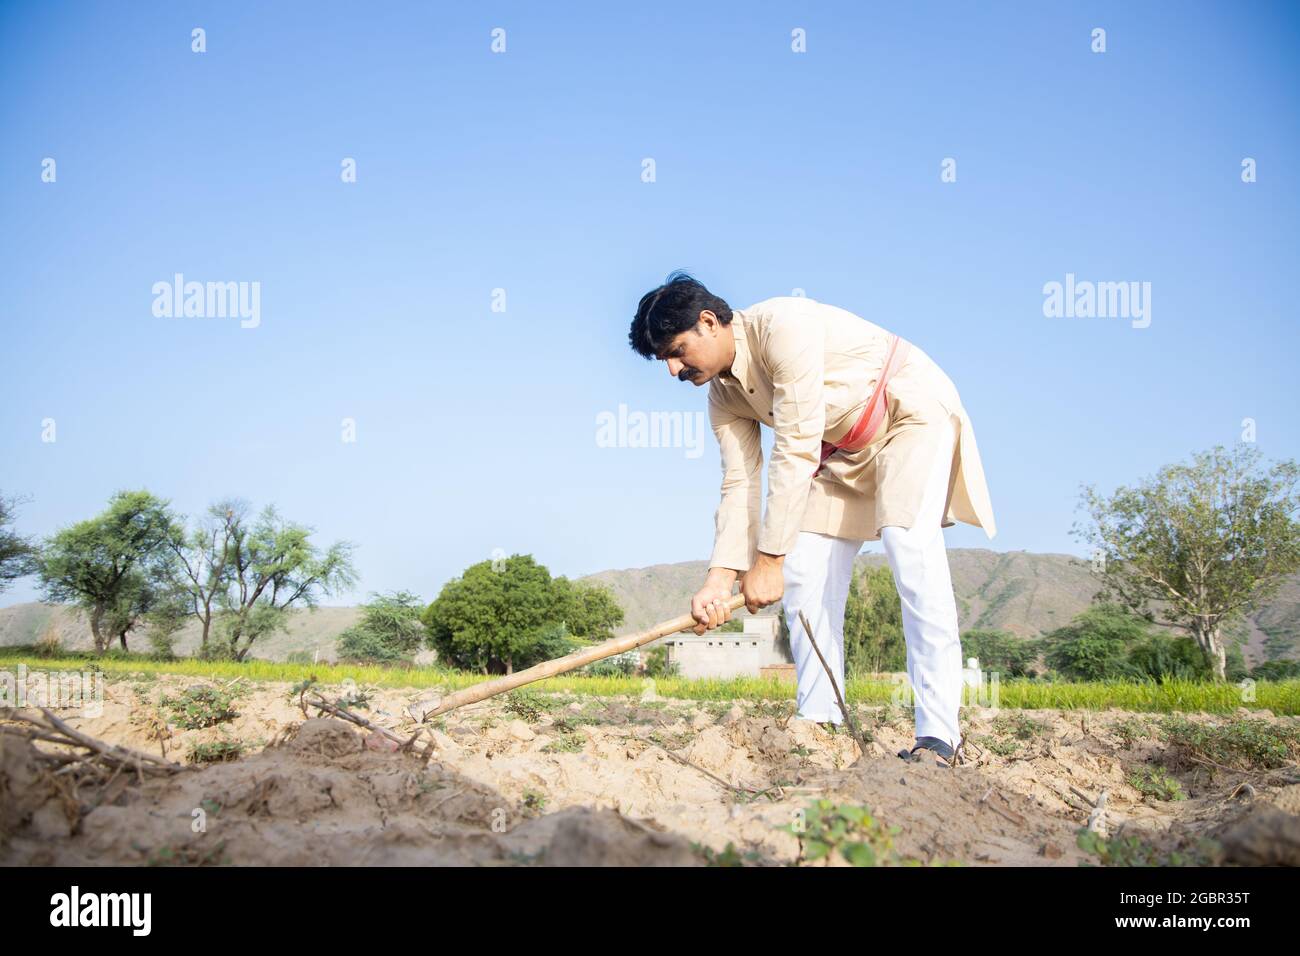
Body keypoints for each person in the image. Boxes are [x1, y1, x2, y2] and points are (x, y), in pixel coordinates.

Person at [627, 271, 997, 765]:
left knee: (907, 545)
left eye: (675, 352)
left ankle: (938, 736)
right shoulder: (722, 397)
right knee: (804, 569)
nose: (672, 371)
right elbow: (739, 483)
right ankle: (821, 717)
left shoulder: (784, 325)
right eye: (663, 361)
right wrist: (720, 579)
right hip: (840, 451)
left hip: (907, 414)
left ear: (709, 322)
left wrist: (768, 559)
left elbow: (796, 445)